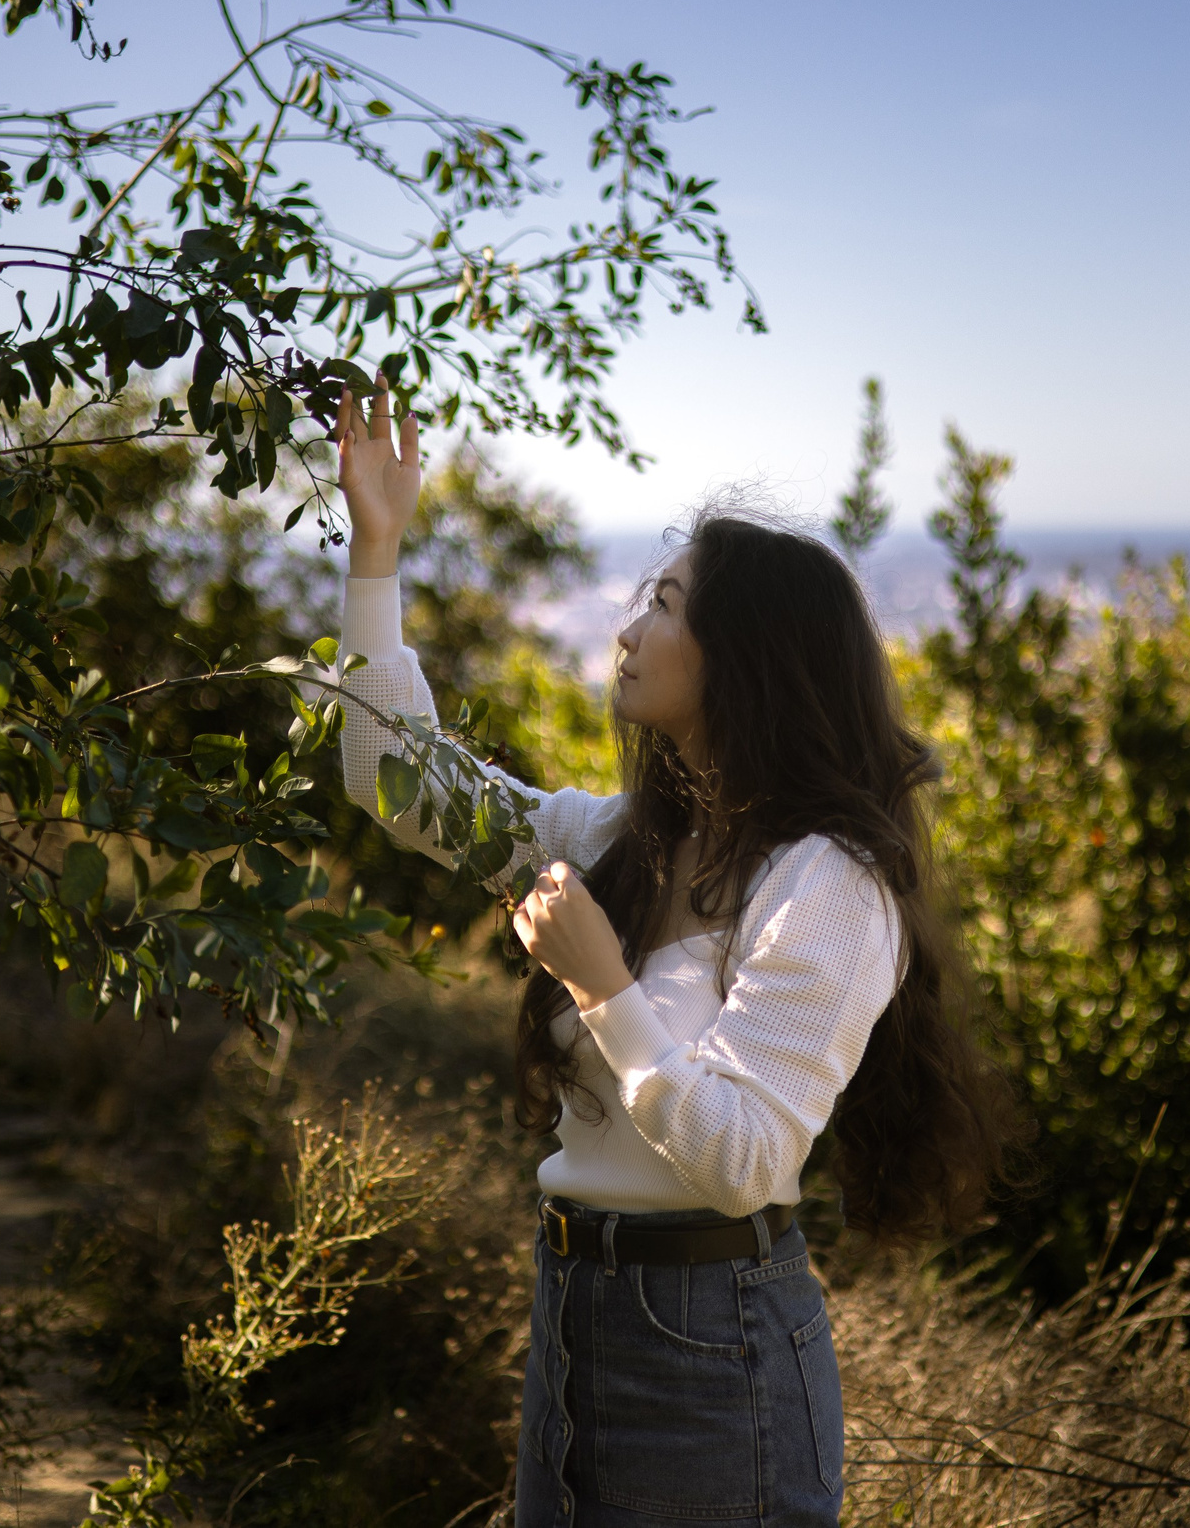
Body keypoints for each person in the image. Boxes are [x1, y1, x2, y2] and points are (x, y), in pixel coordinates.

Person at [331, 388, 1009, 1528]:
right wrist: (376, 550)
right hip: (573, 1308)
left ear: (749, 657)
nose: (628, 630)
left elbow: (742, 1159)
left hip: (713, 1346)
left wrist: (603, 985)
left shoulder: (828, 884)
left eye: (665, 604)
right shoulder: (619, 841)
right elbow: (394, 784)